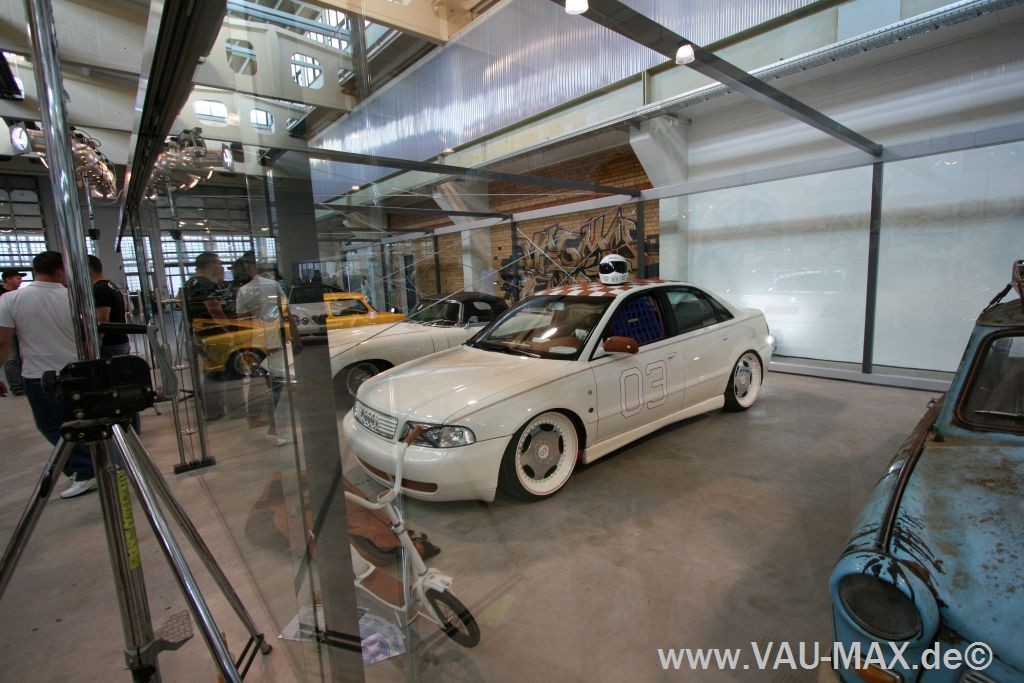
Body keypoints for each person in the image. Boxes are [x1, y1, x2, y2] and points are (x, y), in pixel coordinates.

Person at [0, 251, 96, 498]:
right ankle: (84, 467)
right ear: (60, 270)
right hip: (78, 372)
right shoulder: (75, 298)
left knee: (52, 426)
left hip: (40, 375)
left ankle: (85, 469)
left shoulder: (11, 300)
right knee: (78, 424)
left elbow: (3, 342)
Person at [236, 256, 299, 445]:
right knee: (277, 387)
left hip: (259, 343)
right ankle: (273, 429)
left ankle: (268, 425)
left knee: (269, 386)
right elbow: (287, 314)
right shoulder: (273, 285)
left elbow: (243, 324)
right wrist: (296, 338)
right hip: (274, 342)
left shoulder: (244, 290)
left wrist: (246, 351)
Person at [89, 256, 141, 433]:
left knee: (118, 388)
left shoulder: (99, 289)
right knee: (124, 384)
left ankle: (129, 426)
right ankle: (132, 425)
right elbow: (125, 307)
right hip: (120, 340)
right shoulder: (111, 285)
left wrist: (96, 343)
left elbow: (102, 320)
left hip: (111, 343)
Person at [1, 269, 26, 395]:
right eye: (17, 278)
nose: (20, 280)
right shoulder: (2, 294)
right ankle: (16, 386)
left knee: (22, 356)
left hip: (20, 327)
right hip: (5, 328)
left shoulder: (18, 294)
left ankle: (23, 383)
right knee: (11, 357)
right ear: (8, 279)